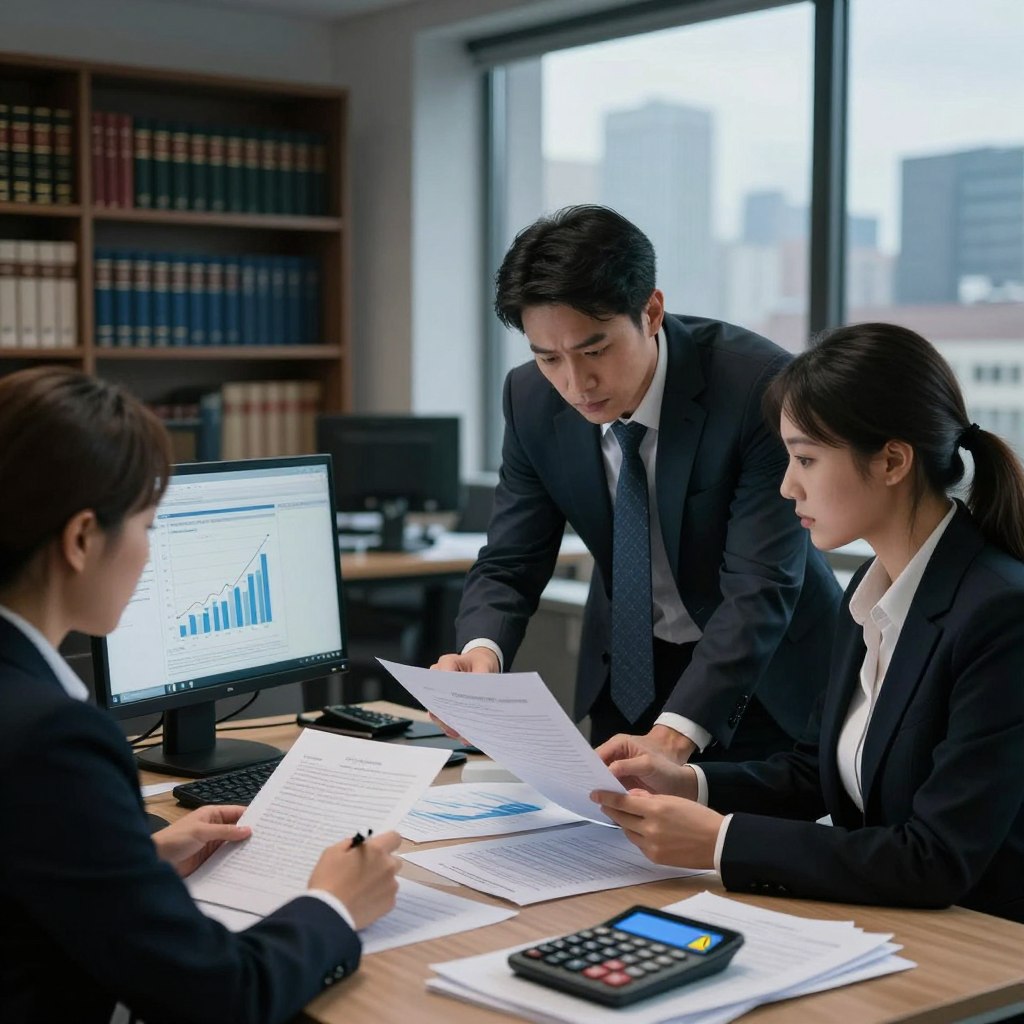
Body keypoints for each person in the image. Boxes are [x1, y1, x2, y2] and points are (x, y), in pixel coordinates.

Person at [0, 367, 403, 1023]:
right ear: (80, 540)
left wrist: (136, 858)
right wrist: (334, 904)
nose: (149, 553)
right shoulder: (54, 739)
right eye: (148, 526)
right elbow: (220, 995)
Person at [593, 322, 1024, 922]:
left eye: (806, 458)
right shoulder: (874, 586)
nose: (787, 484)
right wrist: (688, 784)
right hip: (892, 926)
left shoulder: (1000, 614)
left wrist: (720, 842)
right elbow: (811, 772)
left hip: (985, 952)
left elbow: (936, 858)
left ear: (893, 460)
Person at [434, 205, 840, 763]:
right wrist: (481, 652)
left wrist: (674, 737)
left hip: (762, 680)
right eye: (549, 357)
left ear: (651, 311)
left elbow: (760, 585)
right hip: (629, 673)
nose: (576, 384)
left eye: (594, 349)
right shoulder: (530, 399)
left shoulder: (758, 389)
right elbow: (510, 558)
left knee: (731, 843)